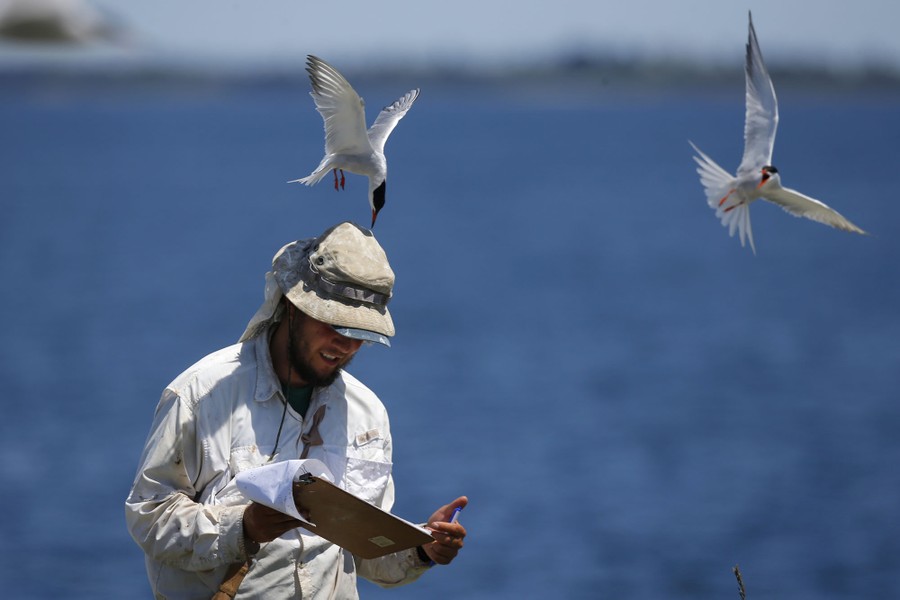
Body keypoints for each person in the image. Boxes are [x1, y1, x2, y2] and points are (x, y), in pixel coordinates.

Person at [125, 222, 467, 599]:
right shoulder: (202, 393)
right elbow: (150, 518)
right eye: (335, 324)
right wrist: (243, 526)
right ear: (291, 306)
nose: (347, 344)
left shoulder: (368, 413)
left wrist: (421, 548)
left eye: (361, 333)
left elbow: (364, 554)